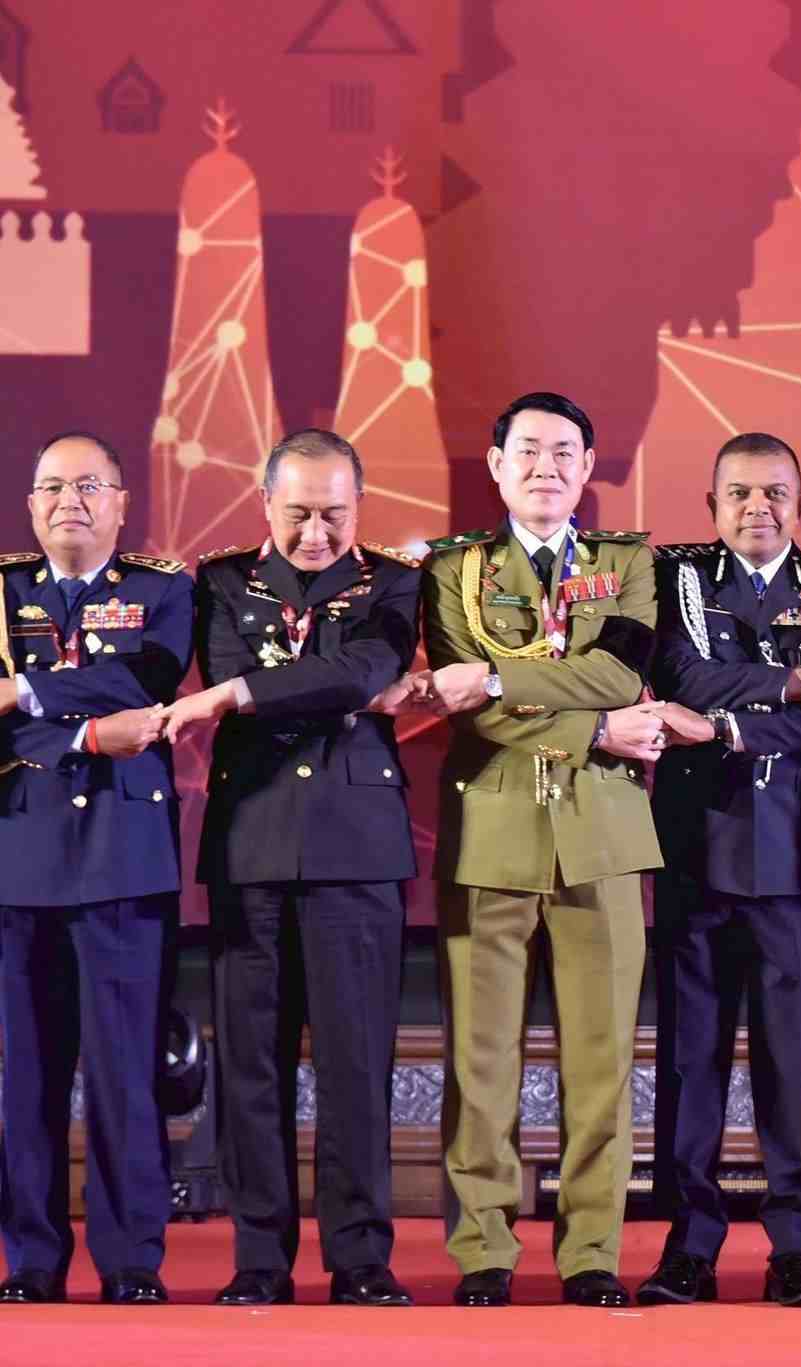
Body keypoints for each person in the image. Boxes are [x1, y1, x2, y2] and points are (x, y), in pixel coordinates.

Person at [160, 429, 423, 1308]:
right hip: (254, 843)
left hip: (356, 851)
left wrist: (238, 697)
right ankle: (260, 1258)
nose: (316, 532)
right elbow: (260, 665)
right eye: (299, 512)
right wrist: (273, 684)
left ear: (361, 502)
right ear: (264, 501)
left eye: (334, 514)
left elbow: (368, 668)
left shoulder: (393, 580)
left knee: (357, 1064)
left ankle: (360, 1258)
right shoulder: (222, 582)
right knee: (252, 1065)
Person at [416, 391, 667, 1308]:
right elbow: (459, 698)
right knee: (482, 1060)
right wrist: (598, 730)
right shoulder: (454, 572)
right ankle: (483, 1245)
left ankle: (592, 1249)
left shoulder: (631, 562)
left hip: (601, 836)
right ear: (494, 464)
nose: (546, 467)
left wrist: (497, 674)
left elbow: (620, 671)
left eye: (565, 450)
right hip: (492, 829)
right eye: (527, 450)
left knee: (600, 1060)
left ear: (589, 466)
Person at [636, 432, 801, 1309]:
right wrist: (789, 686)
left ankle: (796, 1248)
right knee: (692, 1059)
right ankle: (690, 1243)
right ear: (711, 505)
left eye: (776, 493)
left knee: (796, 1061)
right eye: (738, 493)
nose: (756, 508)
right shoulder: (677, 580)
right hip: (698, 848)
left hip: (799, 855)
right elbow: (684, 675)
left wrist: (734, 724)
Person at [0, 432, 191, 1305]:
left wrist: (30, 694)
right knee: (24, 1075)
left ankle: (130, 1260)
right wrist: (83, 728)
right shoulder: (2, 596)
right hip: (19, 856)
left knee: (124, 1072)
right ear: (31, 506)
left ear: (121, 502)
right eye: (51, 487)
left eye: (88, 485)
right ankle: (33, 1260)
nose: (68, 499)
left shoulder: (165, 589)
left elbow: (145, 686)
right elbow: (105, 701)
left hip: (122, 853)